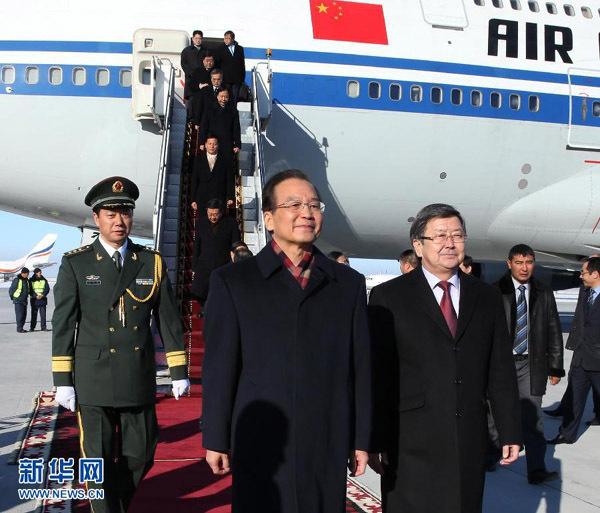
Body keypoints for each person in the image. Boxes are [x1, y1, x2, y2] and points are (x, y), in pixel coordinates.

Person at [202, 169, 372, 513]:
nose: (306, 213)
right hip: (260, 437)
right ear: (268, 218)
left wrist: (361, 438)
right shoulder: (233, 282)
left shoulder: (347, 284)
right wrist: (216, 437)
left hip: (326, 434)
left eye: (314, 205)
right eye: (294, 205)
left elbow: (361, 367)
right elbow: (220, 367)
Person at [368, 203, 521, 513]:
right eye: (439, 236)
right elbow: (379, 375)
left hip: (468, 434)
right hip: (408, 439)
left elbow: (500, 369)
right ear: (418, 246)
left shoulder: (487, 297)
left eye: (457, 235)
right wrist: (373, 439)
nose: (450, 243)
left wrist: (510, 430)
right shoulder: (389, 296)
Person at [51, 176, 190, 513]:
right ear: (96, 218)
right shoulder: (77, 262)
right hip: (93, 376)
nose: (119, 221)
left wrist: (178, 371)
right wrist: (62, 381)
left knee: (142, 454)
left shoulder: (150, 261)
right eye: (110, 214)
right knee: (95, 462)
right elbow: (64, 324)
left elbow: (169, 320)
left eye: (125, 213)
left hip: (136, 375)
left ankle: (115, 503)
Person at [488, 244, 563, 484]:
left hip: (531, 363)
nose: (524, 268)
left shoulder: (543, 292)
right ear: (509, 264)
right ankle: (490, 457)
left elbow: (553, 329)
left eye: (529, 262)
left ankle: (536, 470)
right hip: (501, 363)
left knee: (533, 417)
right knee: (494, 413)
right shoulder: (494, 291)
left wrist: (555, 366)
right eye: (519, 263)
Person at [548, 256, 600, 445]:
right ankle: (566, 434)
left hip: (598, 358)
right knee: (574, 399)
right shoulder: (586, 292)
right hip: (581, 357)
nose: (581, 276)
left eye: (583, 272)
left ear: (595, 274)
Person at [191, 199, 241, 309]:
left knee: (222, 295)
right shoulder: (200, 223)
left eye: (215, 214)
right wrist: (194, 267)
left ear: (221, 212)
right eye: (210, 214)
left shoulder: (231, 223)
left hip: (223, 264)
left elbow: (236, 243)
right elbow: (197, 247)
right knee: (199, 293)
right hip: (204, 264)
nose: (212, 217)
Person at [191, 136, 234, 212]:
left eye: (214, 144)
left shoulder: (225, 160)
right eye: (210, 144)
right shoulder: (198, 160)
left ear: (218, 145)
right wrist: (193, 199)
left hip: (219, 197)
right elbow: (194, 180)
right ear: (205, 145)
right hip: (202, 197)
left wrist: (230, 196)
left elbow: (229, 179)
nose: (212, 146)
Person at [199, 88, 241, 157]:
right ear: (217, 96)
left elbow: (236, 128)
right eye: (222, 96)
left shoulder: (233, 110)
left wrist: (237, 144)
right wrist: (202, 142)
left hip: (227, 142)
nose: (224, 99)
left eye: (226, 97)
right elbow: (204, 126)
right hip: (212, 142)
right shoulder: (210, 109)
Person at [216, 30, 246, 103]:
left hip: (237, 79)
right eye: (225, 38)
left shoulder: (239, 49)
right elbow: (217, 63)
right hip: (225, 78)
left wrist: (242, 77)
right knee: (226, 96)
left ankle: (233, 109)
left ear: (232, 39)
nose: (226, 40)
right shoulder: (220, 49)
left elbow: (242, 63)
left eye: (228, 38)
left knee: (235, 97)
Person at [180, 30, 205, 101]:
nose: (198, 40)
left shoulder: (206, 51)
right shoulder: (186, 51)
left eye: (199, 38)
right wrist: (191, 74)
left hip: (202, 81)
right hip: (190, 81)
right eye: (196, 38)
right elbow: (184, 63)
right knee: (191, 103)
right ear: (193, 39)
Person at [9, 267, 29, 333]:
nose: (28, 275)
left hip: (24, 300)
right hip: (18, 300)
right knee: (19, 315)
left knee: (24, 315)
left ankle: (21, 327)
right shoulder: (17, 280)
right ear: (23, 273)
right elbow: (12, 290)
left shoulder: (26, 281)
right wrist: (13, 298)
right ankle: (19, 328)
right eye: (27, 274)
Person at [29, 267, 50, 331]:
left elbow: (47, 289)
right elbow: (30, 290)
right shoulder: (31, 281)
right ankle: (32, 327)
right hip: (34, 300)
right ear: (35, 273)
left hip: (42, 299)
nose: (40, 274)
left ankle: (43, 327)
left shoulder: (44, 280)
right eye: (39, 273)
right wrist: (35, 296)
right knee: (34, 314)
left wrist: (42, 295)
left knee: (43, 315)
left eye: (40, 273)